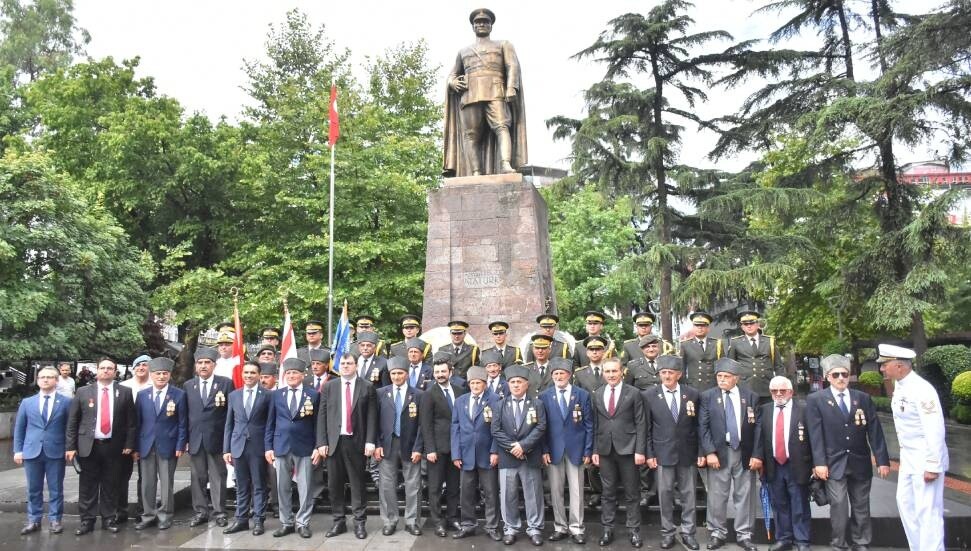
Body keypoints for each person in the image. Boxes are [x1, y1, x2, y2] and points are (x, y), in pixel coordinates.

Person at [806, 354, 890, 551]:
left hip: (859, 461)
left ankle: (861, 542)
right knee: (839, 505)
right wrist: (819, 463)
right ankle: (839, 543)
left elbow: (875, 431)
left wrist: (882, 460)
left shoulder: (862, 398)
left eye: (845, 374)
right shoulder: (816, 400)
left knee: (861, 505)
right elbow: (815, 434)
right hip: (833, 462)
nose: (841, 378)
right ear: (828, 377)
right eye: (836, 375)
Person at [879, 344, 948, 551]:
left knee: (928, 511)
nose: (882, 368)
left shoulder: (922, 389)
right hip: (909, 457)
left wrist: (933, 464)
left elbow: (934, 428)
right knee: (906, 504)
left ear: (899, 366)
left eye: (885, 364)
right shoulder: (900, 386)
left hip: (925, 457)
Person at [443, 8, 527, 177]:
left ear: (490, 26)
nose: (481, 24)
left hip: (496, 91)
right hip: (470, 95)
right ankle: (475, 171)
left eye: (485, 22)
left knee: (502, 127)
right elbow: (452, 74)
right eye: (478, 22)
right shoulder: (463, 51)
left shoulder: (503, 44)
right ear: (473, 27)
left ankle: (505, 164)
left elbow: (512, 66)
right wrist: (452, 82)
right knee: (470, 135)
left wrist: (511, 87)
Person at [65, 357, 137, 536]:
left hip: (114, 446)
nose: (106, 371)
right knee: (87, 485)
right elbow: (73, 421)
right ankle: (87, 520)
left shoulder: (125, 392)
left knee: (110, 484)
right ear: (97, 370)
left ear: (115, 372)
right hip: (88, 446)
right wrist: (70, 446)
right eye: (103, 368)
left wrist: (129, 444)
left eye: (110, 368)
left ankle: (108, 519)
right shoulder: (82, 392)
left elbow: (131, 422)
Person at [699, 357, 760, 551]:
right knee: (717, 495)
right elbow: (703, 426)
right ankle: (718, 533)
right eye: (719, 376)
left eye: (726, 376)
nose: (722, 379)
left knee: (745, 494)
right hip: (720, 452)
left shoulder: (750, 396)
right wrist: (709, 452)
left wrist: (756, 454)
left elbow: (758, 428)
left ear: (736, 378)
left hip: (743, 452)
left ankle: (744, 534)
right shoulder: (708, 396)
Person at [643, 355, 702, 550]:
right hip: (662, 453)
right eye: (663, 372)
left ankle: (688, 532)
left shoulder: (692, 394)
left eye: (670, 372)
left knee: (689, 494)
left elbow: (699, 426)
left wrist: (701, 451)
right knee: (665, 494)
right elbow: (647, 428)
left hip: (687, 452)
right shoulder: (649, 395)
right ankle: (667, 532)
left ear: (679, 374)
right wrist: (650, 454)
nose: (666, 376)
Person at [317, 352, 378, 540]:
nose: (345, 366)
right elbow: (322, 416)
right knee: (334, 484)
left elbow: (372, 417)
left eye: (349, 363)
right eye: (342, 363)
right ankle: (339, 521)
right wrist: (321, 442)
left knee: (358, 484)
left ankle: (360, 523)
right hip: (334, 443)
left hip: (356, 442)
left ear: (356, 365)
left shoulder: (367, 387)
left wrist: (370, 441)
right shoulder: (329, 387)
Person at [751, 376, 812, 551]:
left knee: (799, 503)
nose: (778, 394)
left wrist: (816, 463)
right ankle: (784, 538)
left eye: (782, 390)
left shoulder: (803, 409)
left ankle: (802, 541)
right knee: (779, 504)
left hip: (798, 464)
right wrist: (757, 456)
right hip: (773, 465)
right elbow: (759, 436)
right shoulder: (765, 410)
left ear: (791, 392)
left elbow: (813, 438)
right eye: (774, 391)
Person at [591, 357, 647, 548]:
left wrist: (640, 450)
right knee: (608, 493)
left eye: (614, 371)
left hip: (629, 450)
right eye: (607, 371)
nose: (611, 375)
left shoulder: (634, 393)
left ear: (621, 371)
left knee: (632, 493)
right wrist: (595, 450)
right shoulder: (597, 393)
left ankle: (634, 531)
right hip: (605, 450)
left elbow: (641, 423)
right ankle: (607, 529)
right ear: (603, 373)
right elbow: (595, 424)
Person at [491, 364, 547, 546]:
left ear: (526, 384)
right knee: (508, 495)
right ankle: (510, 528)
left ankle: (535, 528)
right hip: (508, 457)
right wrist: (512, 447)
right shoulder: (499, 405)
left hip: (529, 455)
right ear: (508, 384)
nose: (516, 385)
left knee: (533, 494)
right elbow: (495, 430)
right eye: (512, 382)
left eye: (519, 382)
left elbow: (541, 427)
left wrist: (523, 446)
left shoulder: (537, 403)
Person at [264, 357, 320, 538]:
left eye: (295, 372)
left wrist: (318, 446)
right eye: (288, 373)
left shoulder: (313, 395)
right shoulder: (277, 395)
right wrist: (268, 447)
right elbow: (270, 423)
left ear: (303, 375)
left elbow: (318, 423)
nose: (291, 376)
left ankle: (303, 522)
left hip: (305, 445)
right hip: (281, 445)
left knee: (305, 487)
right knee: (282, 487)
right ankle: (286, 521)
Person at [540, 357, 593, 544]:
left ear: (569, 375)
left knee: (577, 490)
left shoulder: (582, 395)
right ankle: (560, 526)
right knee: (556, 491)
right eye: (556, 373)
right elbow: (542, 427)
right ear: (552, 376)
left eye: (562, 373)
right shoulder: (544, 396)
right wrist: (544, 450)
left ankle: (577, 527)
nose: (559, 376)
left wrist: (588, 450)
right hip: (554, 450)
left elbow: (589, 425)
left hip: (576, 449)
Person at [133, 357, 187, 532]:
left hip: (169, 445)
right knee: (147, 482)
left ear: (169, 375)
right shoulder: (142, 395)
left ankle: (165, 515)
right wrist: (135, 447)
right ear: (151, 375)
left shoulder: (179, 395)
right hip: (146, 444)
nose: (161, 377)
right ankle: (148, 515)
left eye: (165, 374)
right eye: (158, 374)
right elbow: (137, 423)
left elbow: (182, 423)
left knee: (166, 482)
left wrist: (180, 445)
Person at [15, 366, 70, 535]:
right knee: (33, 488)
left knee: (56, 488)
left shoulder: (67, 402)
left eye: (49, 377)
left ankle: (55, 520)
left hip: (56, 451)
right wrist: (18, 450)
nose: (45, 380)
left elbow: (70, 428)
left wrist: (70, 448)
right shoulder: (27, 402)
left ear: (56, 380)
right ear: (37, 380)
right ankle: (34, 520)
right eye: (42, 377)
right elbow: (20, 427)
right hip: (32, 451)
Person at [374, 357, 425, 536]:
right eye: (394, 373)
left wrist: (419, 447)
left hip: (410, 445)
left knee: (413, 484)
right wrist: (377, 444)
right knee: (386, 485)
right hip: (387, 444)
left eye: (400, 373)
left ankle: (412, 521)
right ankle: (390, 520)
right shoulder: (380, 393)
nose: (397, 376)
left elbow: (422, 424)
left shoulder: (418, 394)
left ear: (407, 374)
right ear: (390, 374)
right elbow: (374, 421)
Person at [185, 346, 234, 527]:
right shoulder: (189, 385)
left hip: (217, 438)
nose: (203, 366)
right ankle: (200, 512)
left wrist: (228, 442)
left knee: (218, 476)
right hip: (195, 439)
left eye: (207, 362)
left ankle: (220, 512)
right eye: (200, 363)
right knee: (197, 478)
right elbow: (185, 415)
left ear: (214, 365)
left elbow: (231, 413)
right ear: (196, 366)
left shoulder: (225, 383)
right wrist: (185, 440)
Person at [451, 366, 502, 541]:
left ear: (485, 384)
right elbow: (455, 428)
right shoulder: (461, 401)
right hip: (465, 454)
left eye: (478, 383)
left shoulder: (495, 400)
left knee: (490, 492)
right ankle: (468, 525)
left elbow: (498, 429)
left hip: (487, 454)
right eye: (472, 383)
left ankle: (492, 526)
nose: (475, 386)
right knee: (466, 492)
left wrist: (495, 451)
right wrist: (456, 454)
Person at [223, 361, 273, 536]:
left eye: (253, 373)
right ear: (242, 374)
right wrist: (226, 449)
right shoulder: (234, 395)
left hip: (258, 447)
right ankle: (241, 519)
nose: (249, 376)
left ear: (259, 375)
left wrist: (269, 447)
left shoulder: (267, 395)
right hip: (238, 446)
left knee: (259, 485)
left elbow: (269, 424)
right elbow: (229, 423)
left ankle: (259, 520)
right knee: (242, 485)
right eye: (246, 373)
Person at [420, 353, 466, 537]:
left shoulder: (460, 391)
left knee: (454, 486)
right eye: (437, 371)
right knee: (435, 487)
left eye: (443, 371)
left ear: (450, 372)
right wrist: (429, 449)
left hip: (457, 449)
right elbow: (425, 423)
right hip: (437, 450)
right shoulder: (429, 393)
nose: (439, 374)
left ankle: (453, 517)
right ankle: (438, 521)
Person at [627, 334, 662, 506]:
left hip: (664, 414)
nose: (651, 349)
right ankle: (646, 491)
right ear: (642, 350)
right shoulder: (633, 366)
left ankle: (664, 490)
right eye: (647, 347)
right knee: (644, 451)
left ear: (659, 347)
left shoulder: (667, 363)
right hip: (643, 414)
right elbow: (629, 391)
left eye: (654, 346)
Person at [118, 354, 153, 524]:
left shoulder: (155, 384)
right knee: (121, 476)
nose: (141, 368)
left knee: (145, 477)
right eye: (138, 365)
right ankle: (120, 510)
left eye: (145, 365)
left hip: (147, 436)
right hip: (125, 438)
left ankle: (142, 510)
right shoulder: (123, 386)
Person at [728, 310, 782, 404]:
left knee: (767, 416)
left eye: (752, 323)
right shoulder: (735, 343)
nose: (749, 326)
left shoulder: (769, 341)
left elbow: (778, 366)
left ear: (757, 324)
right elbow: (730, 368)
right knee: (747, 417)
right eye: (745, 324)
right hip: (745, 388)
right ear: (742, 327)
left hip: (767, 387)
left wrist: (781, 385)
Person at [680, 311, 722, 392]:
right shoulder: (685, 345)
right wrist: (684, 387)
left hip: (713, 386)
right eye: (697, 325)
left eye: (703, 325)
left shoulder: (717, 344)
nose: (700, 328)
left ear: (708, 328)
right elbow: (682, 368)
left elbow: (721, 365)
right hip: (694, 386)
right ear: (693, 327)